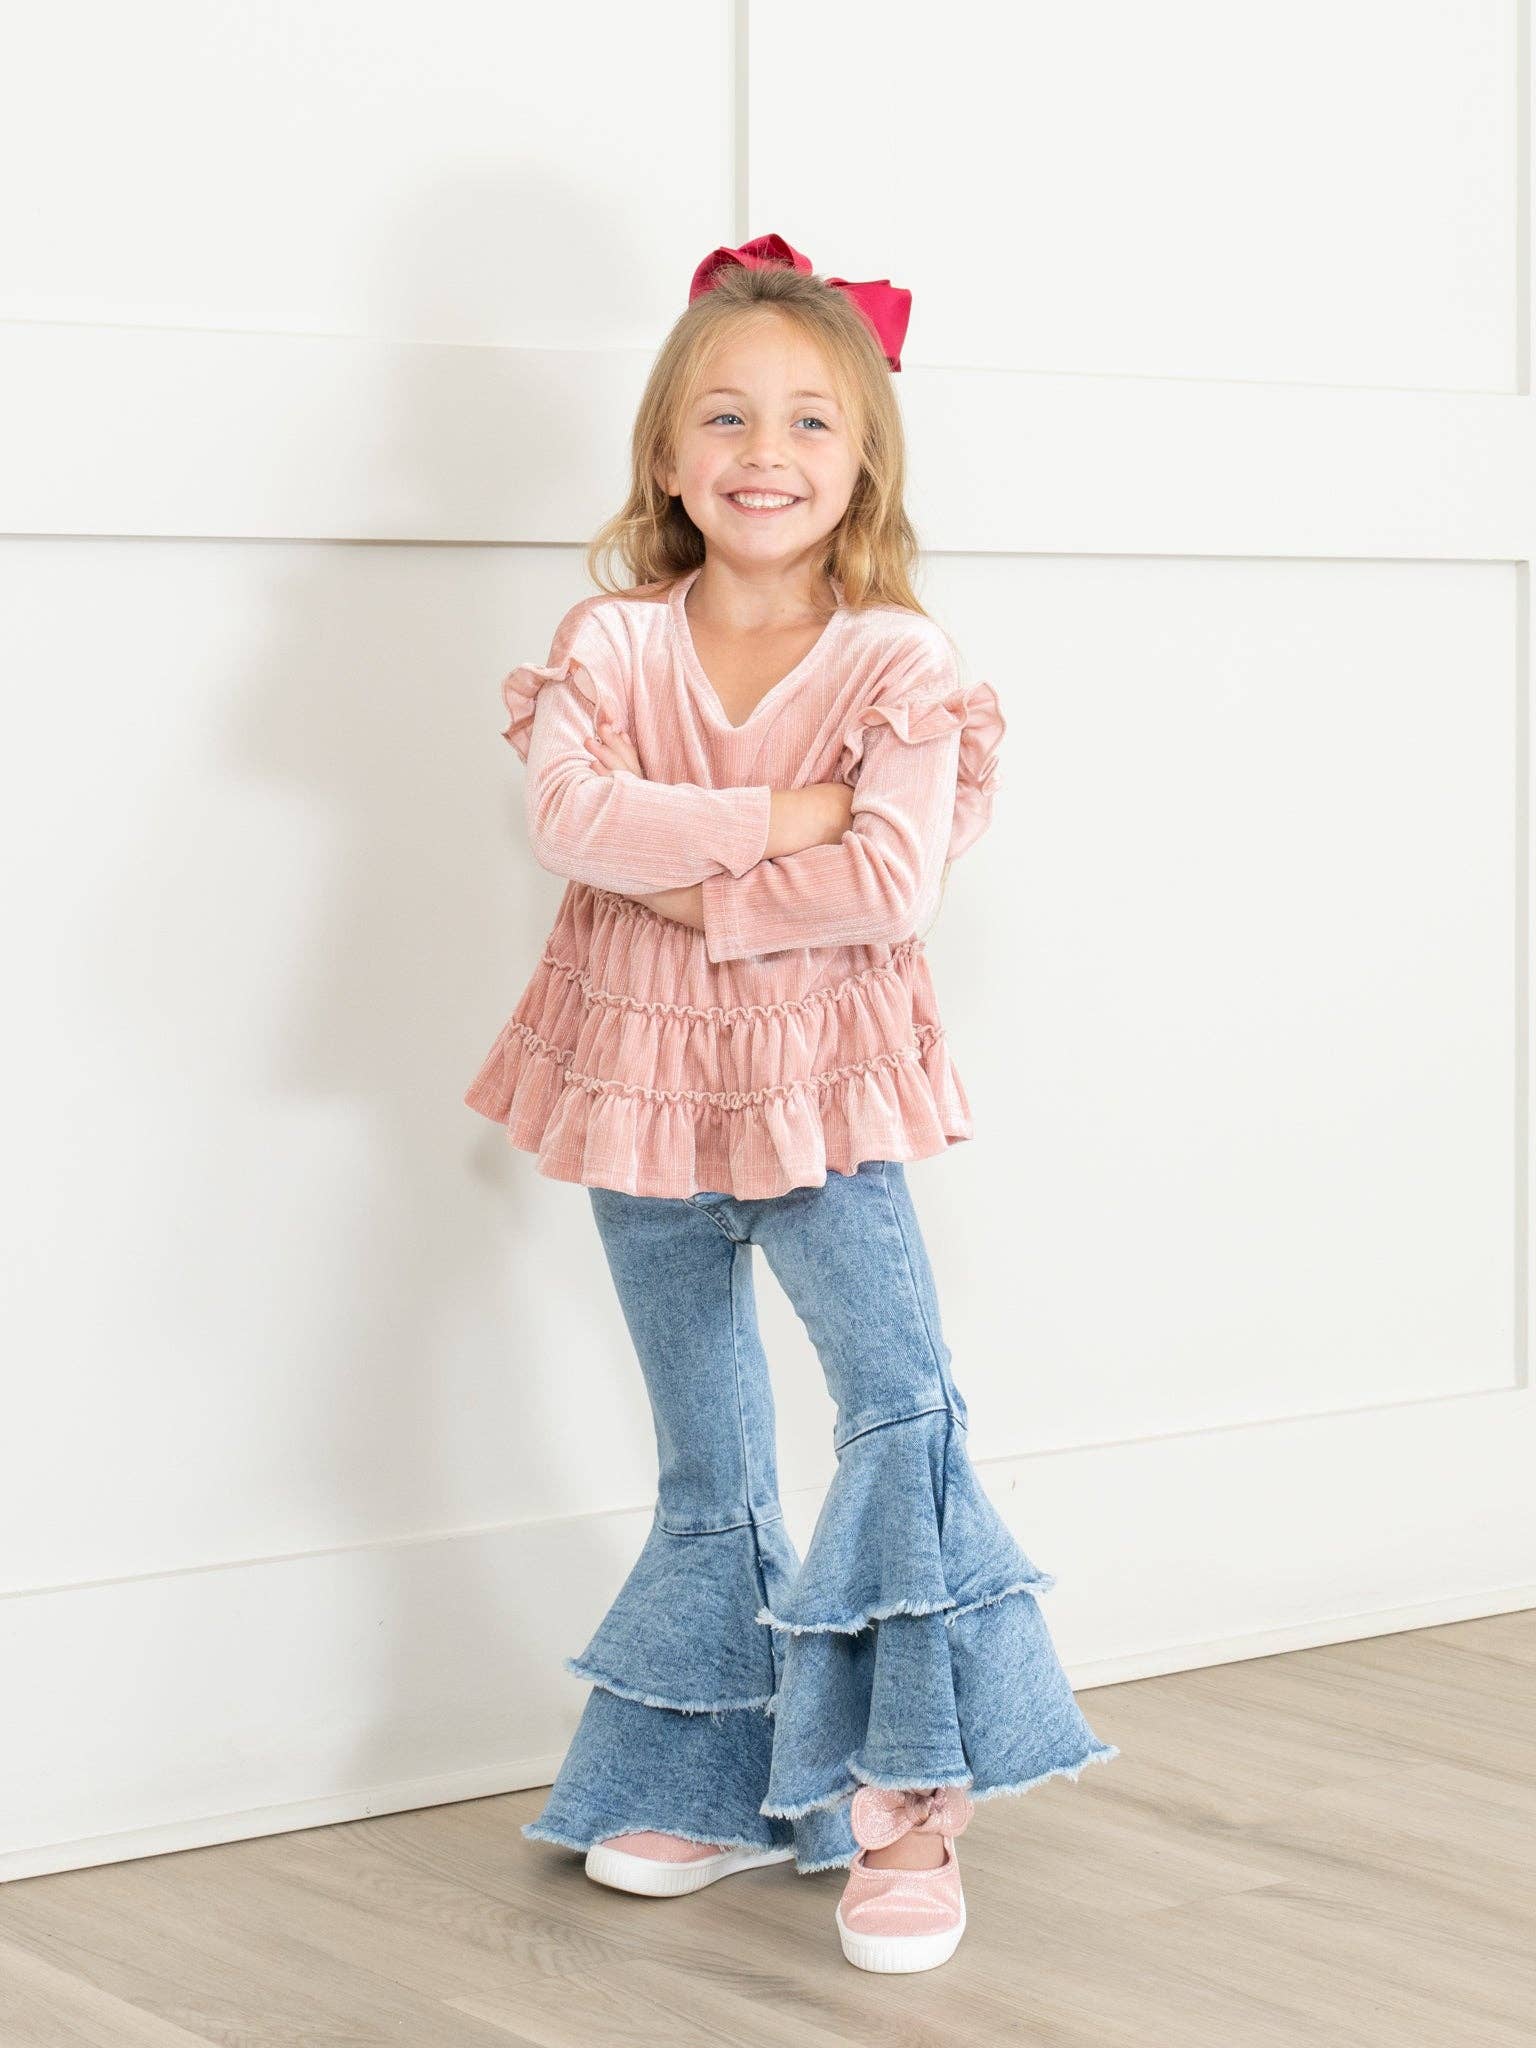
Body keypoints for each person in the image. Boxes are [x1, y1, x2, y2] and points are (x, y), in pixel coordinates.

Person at [463, 233, 1118, 1973]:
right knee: (709, 1452)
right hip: (639, 1083)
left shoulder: (899, 660)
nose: (767, 451)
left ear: (864, 460)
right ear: (670, 456)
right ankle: (717, 1778)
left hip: (824, 1092)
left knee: (897, 1410)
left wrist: (685, 868)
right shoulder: (609, 639)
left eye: (811, 420)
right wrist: (789, 821)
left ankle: (906, 1800)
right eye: (727, 416)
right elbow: (568, 820)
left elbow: (893, 879)